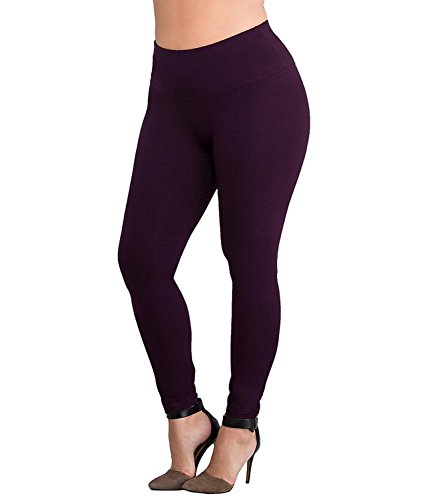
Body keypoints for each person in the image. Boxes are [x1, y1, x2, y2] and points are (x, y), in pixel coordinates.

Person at [118, 0, 310, 493]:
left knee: (249, 261)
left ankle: (240, 427)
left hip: (255, 87)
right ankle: (185, 416)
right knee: (141, 259)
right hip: (170, 91)